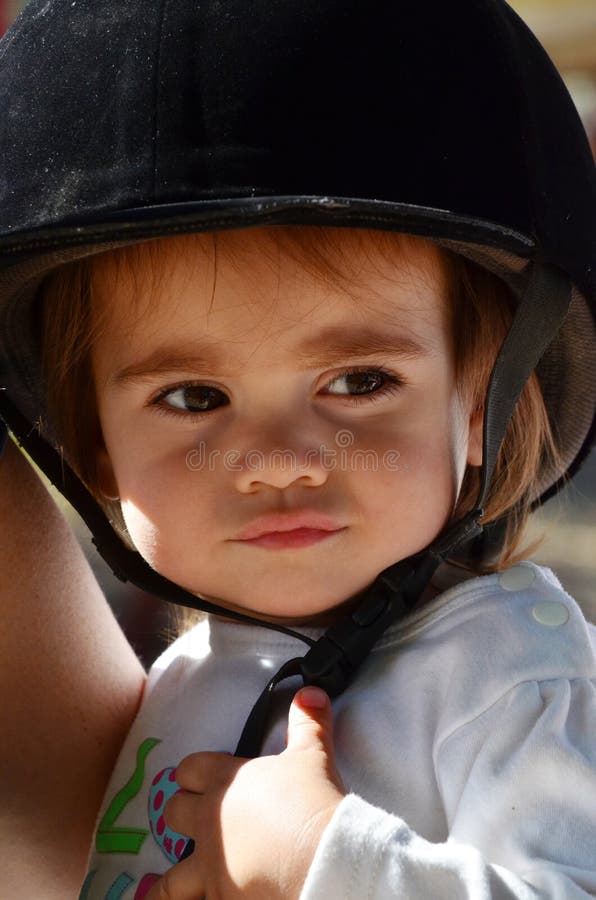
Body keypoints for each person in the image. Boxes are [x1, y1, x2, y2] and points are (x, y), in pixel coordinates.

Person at [0, 1, 594, 899]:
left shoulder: (511, 677)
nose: (281, 461)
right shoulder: (186, 680)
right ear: (97, 449)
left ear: (480, 404)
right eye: (194, 397)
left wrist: (325, 860)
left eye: (359, 382)